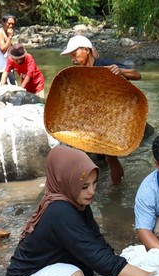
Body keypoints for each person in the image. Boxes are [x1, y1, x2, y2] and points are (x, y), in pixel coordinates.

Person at [4, 145, 153, 276]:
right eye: (84, 186)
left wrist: (124, 267)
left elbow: (97, 244)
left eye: (94, 184)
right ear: (67, 181)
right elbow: (98, 259)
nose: (91, 191)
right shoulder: (60, 212)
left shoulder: (74, 202)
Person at [60, 35, 142, 186]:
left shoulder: (105, 65)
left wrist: (121, 72)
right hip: (95, 120)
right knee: (96, 156)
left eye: (74, 54)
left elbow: (137, 74)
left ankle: (116, 192)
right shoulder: (80, 73)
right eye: (71, 55)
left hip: (111, 118)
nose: (73, 58)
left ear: (86, 50)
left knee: (110, 158)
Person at [0, 14, 16, 85]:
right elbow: (3, 50)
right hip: (1, 69)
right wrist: (10, 37)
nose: (11, 26)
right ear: (3, 23)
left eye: (13, 24)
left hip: (8, 68)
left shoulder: (6, 33)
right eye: (9, 24)